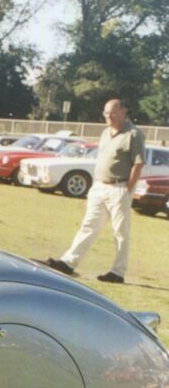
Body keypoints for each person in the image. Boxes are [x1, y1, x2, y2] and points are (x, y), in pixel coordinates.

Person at [46, 99, 146, 283]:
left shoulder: (133, 134)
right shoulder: (105, 133)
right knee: (88, 225)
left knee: (120, 232)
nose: (108, 116)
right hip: (100, 187)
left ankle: (118, 272)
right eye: (106, 113)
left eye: (112, 112)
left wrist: (128, 189)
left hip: (119, 188)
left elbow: (138, 163)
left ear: (123, 111)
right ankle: (68, 263)